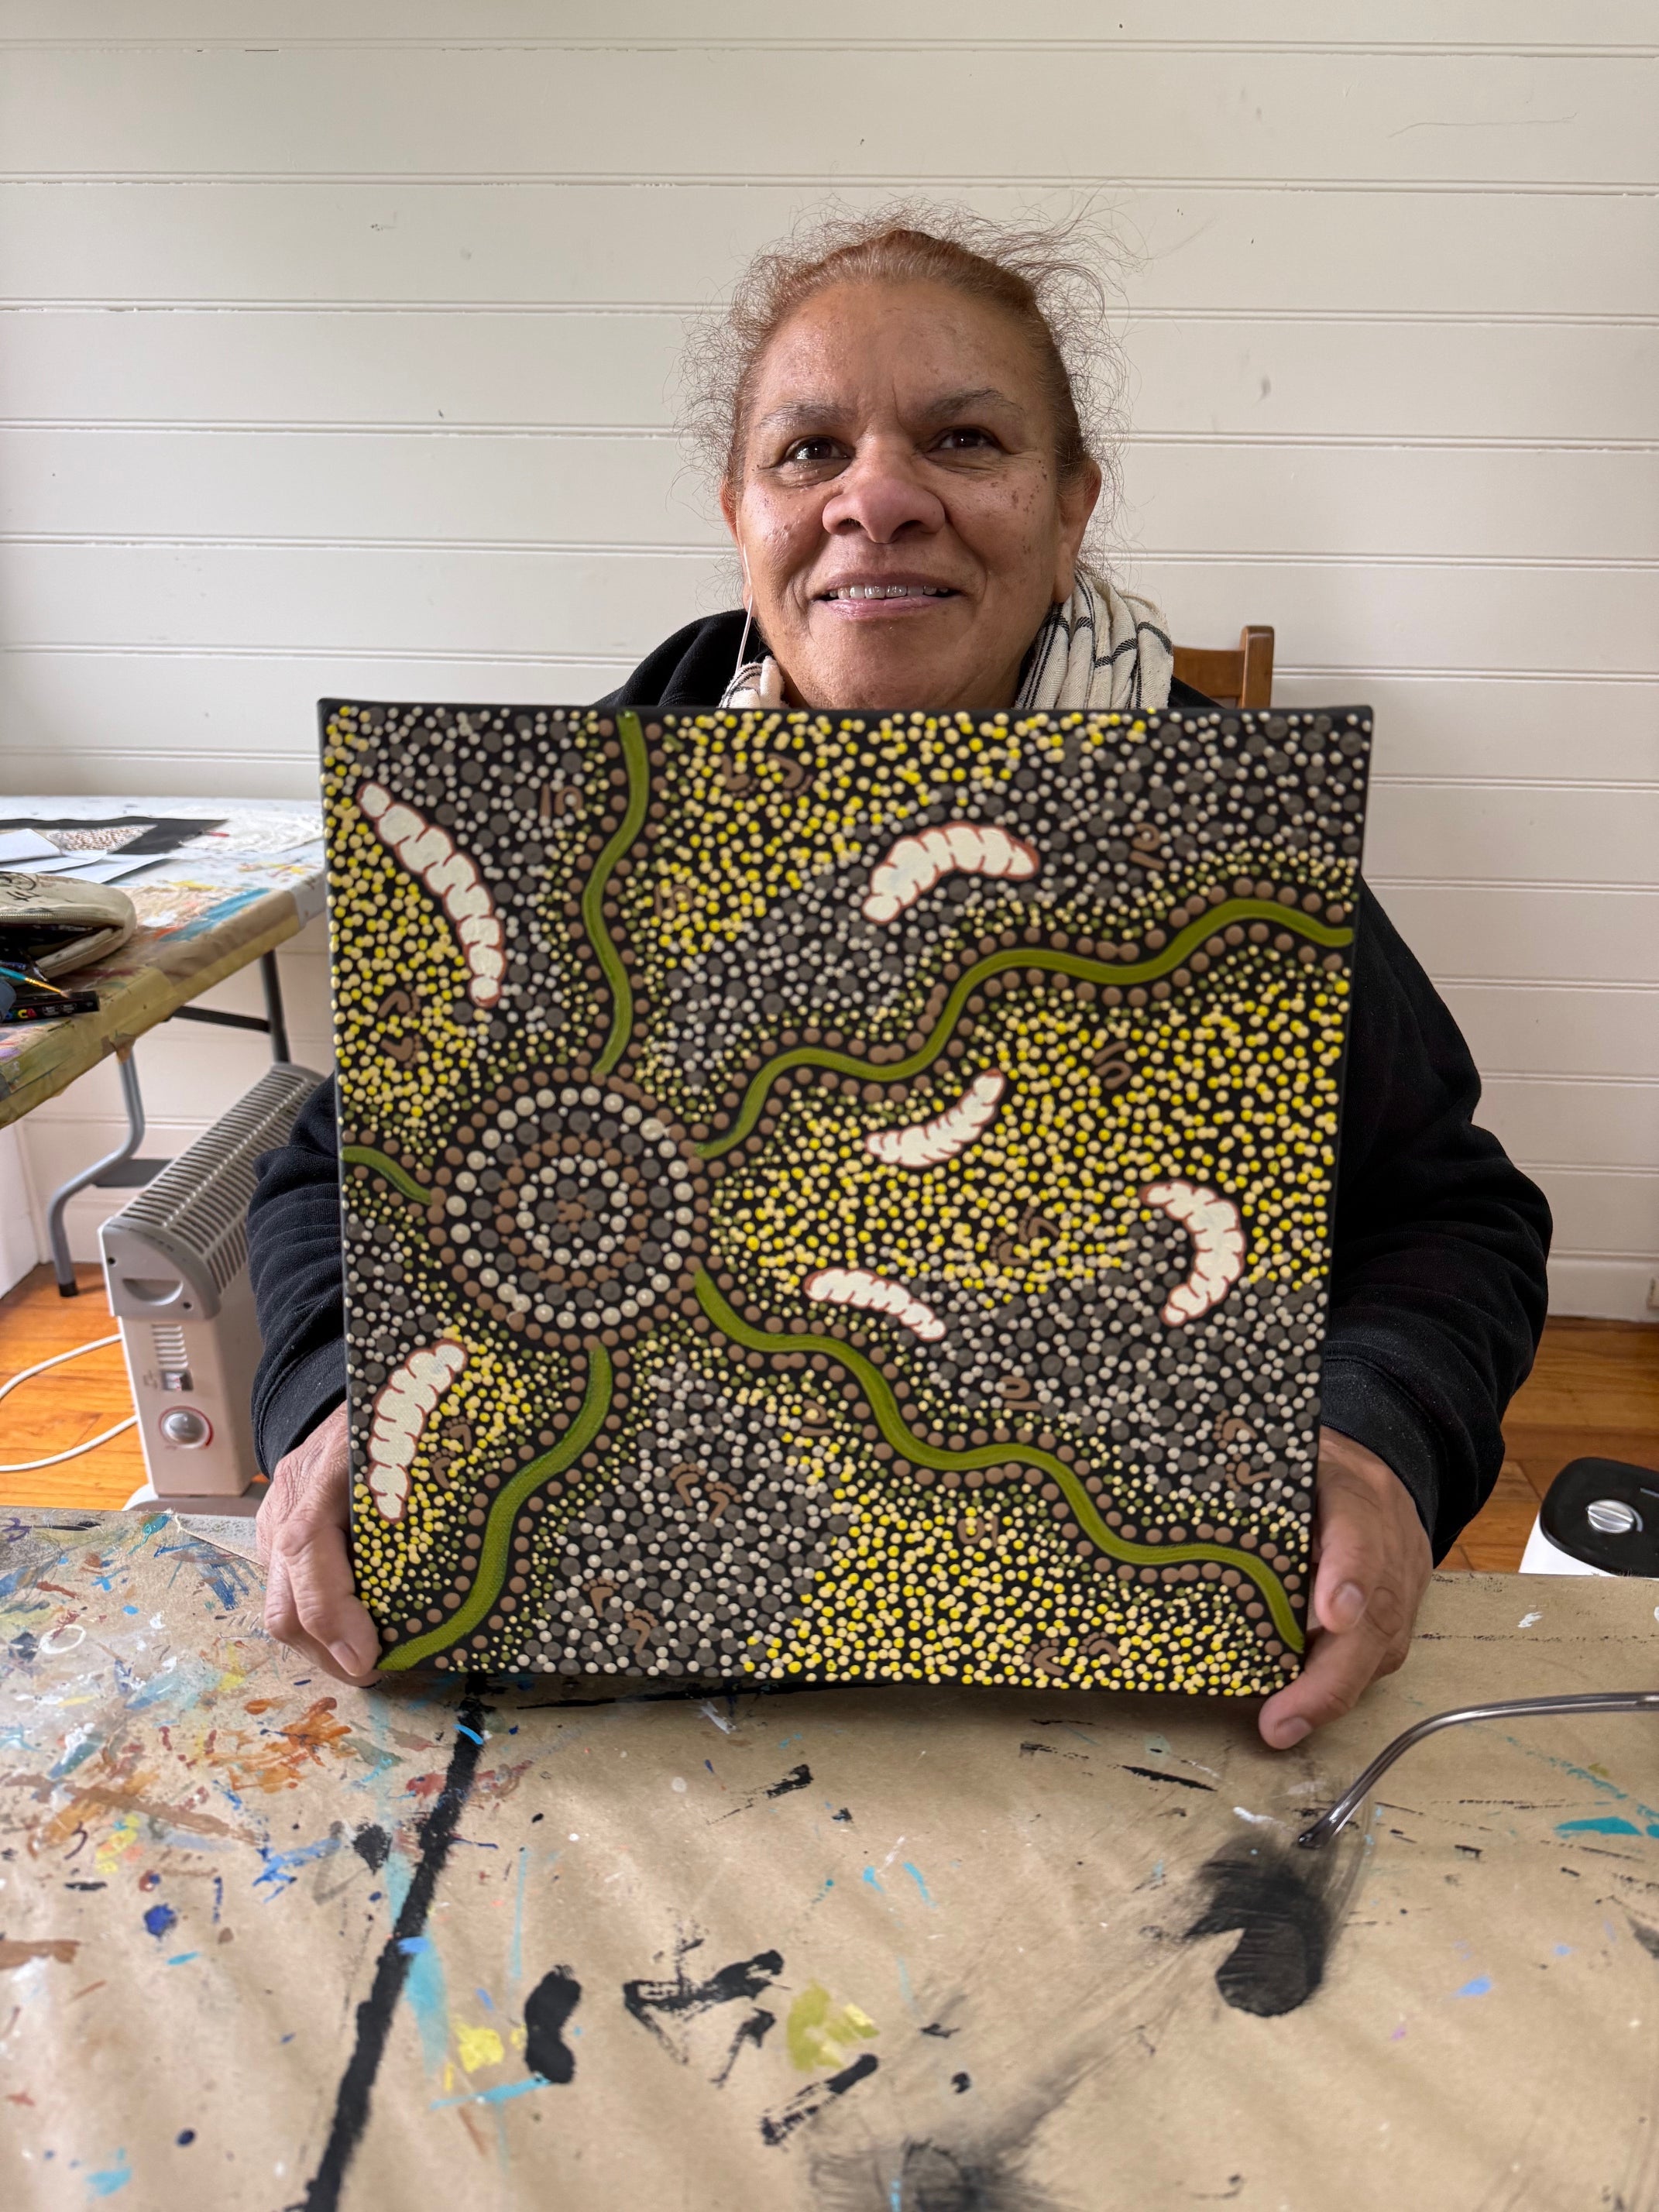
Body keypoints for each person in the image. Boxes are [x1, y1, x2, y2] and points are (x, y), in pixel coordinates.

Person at [249, 209, 1550, 1747]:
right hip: (636, 1701)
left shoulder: (1217, 840)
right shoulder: (586, 824)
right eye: (810, 453)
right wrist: (338, 1406)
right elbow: (331, 1174)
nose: (878, 497)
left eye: (964, 438)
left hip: (1128, 1708)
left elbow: (1450, 1213)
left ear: (1071, 511)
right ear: (741, 514)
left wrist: (1376, 1448)